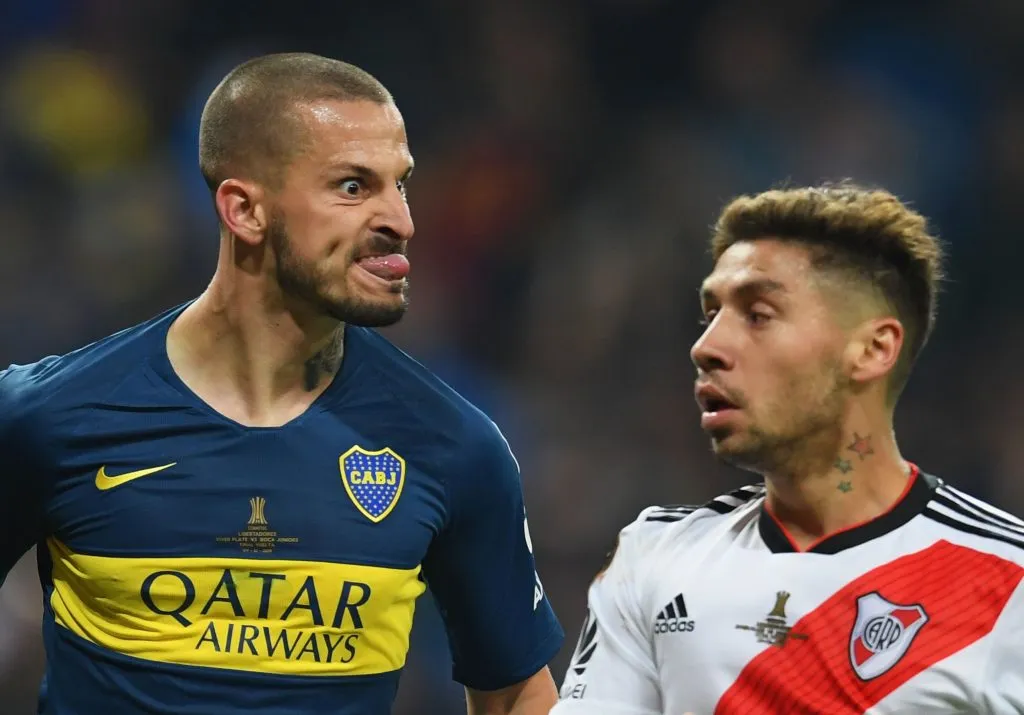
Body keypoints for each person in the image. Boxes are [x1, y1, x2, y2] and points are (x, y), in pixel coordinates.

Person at [0, 52, 563, 715]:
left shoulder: (455, 445)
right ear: (243, 210)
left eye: (400, 184)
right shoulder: (47, 417)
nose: (401, 221)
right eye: (354, 187)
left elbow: (517, 692)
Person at [553, 183, 1024, 714]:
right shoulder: (654, 559)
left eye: (757, 315)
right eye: (711, 316)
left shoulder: (1009, 582)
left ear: (872, 349)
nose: (706, 348)